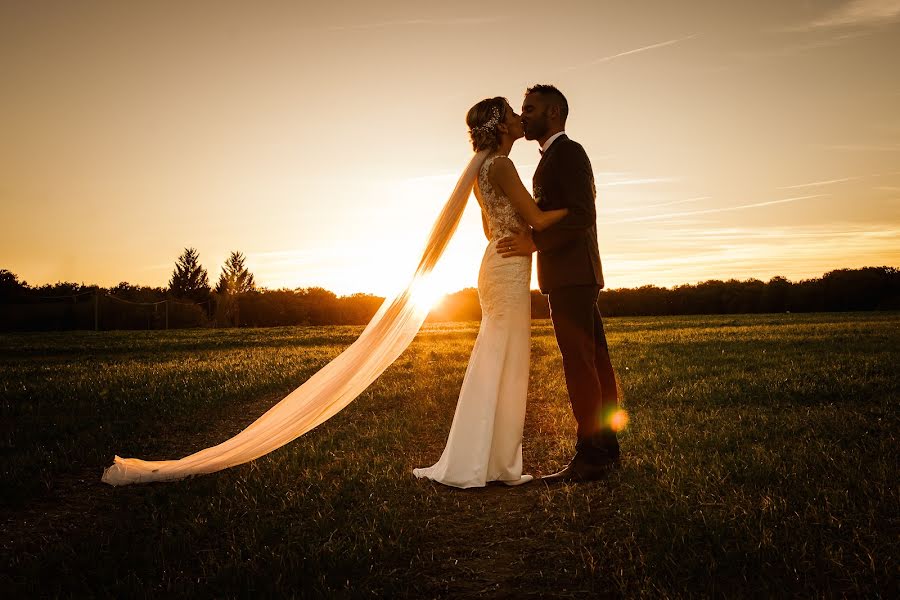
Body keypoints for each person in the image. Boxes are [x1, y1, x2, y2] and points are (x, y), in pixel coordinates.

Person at [413, 97, 568, 488]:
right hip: (508, 269)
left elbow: (489, 229)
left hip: (498, 262)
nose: (520, 117)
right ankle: (485, 462)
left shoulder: (483, 169)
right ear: (501, 127)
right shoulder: (501, 165)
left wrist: (515, 237)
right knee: (505, 357)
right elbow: (536, 219)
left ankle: (488, 460)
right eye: (514, 114)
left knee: (498, 355)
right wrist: (578, 211)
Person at [497, 84, 621, 482]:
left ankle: (590, 456)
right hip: (571, 275)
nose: (523, 114)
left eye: (529, 109)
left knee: (580, 365)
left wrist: (534, 242)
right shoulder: (551, 158)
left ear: (552, 112)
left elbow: (582, 214)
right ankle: (606, 450)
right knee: (595, 362)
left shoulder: (569, 153)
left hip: (574, 274)